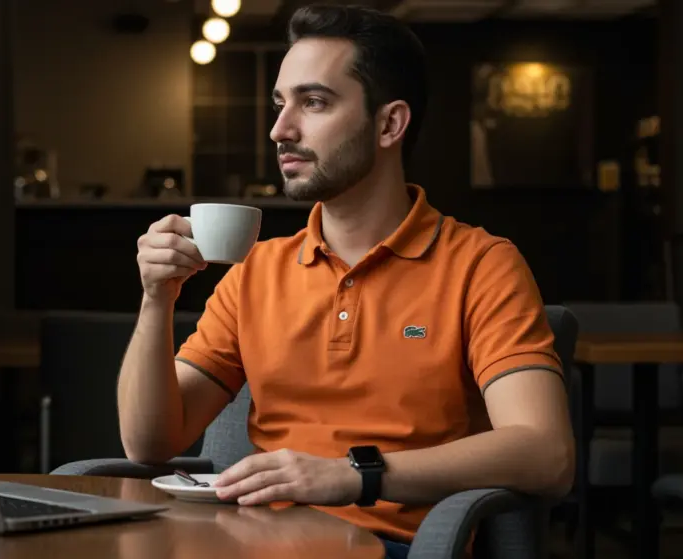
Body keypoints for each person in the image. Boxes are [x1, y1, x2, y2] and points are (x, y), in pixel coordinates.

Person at [117, 4, 574, 558]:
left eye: (314, 103)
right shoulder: (256, 270)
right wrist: (155, 300)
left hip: (385, 545)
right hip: (241, 543)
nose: (280, 130)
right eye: (281, 104)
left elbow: (546, 455)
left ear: (389, 124)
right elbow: (150, 442)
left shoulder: (481, 265)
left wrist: (353, 475)